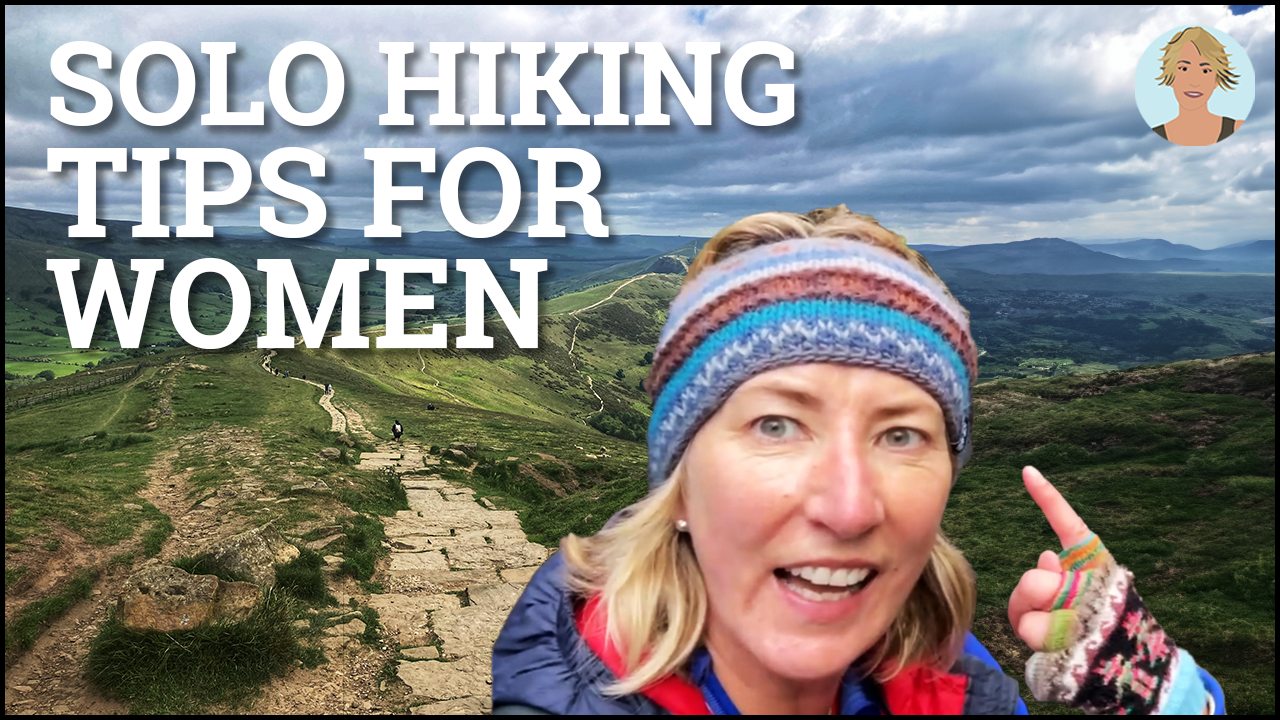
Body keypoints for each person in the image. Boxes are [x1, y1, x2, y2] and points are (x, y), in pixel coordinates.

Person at [491, 206, 1225, 715]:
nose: (848, 507)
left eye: (901, 435)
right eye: (777, 425)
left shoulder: (964, 690)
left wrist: (1162, 695)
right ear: (679, 484)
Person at [1150, 27, 1243, 145]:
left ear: (1216, 80)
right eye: (1184, 69)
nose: (1194, 82)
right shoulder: (1157, 134)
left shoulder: (1236, 128)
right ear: (1170, 76)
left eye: (1205, 71)